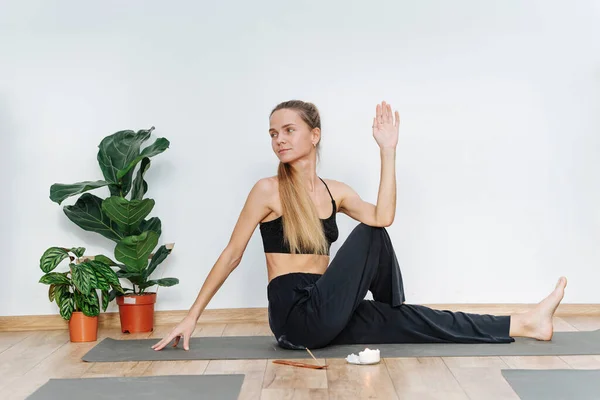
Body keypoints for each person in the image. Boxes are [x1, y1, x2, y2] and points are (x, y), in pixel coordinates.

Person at [152, 100, 567, 351]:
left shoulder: (335, 192)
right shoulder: (267, 190)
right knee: (371, 237)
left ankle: (525, 323)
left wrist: (388, 151)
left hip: (328, 305)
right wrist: (192, 316)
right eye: (273, 133)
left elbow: (384, 215)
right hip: (296, 316)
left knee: (416, 320)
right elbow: (232, 254)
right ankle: (391, 306)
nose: (279, 139)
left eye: (289, 130)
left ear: (314, 135)